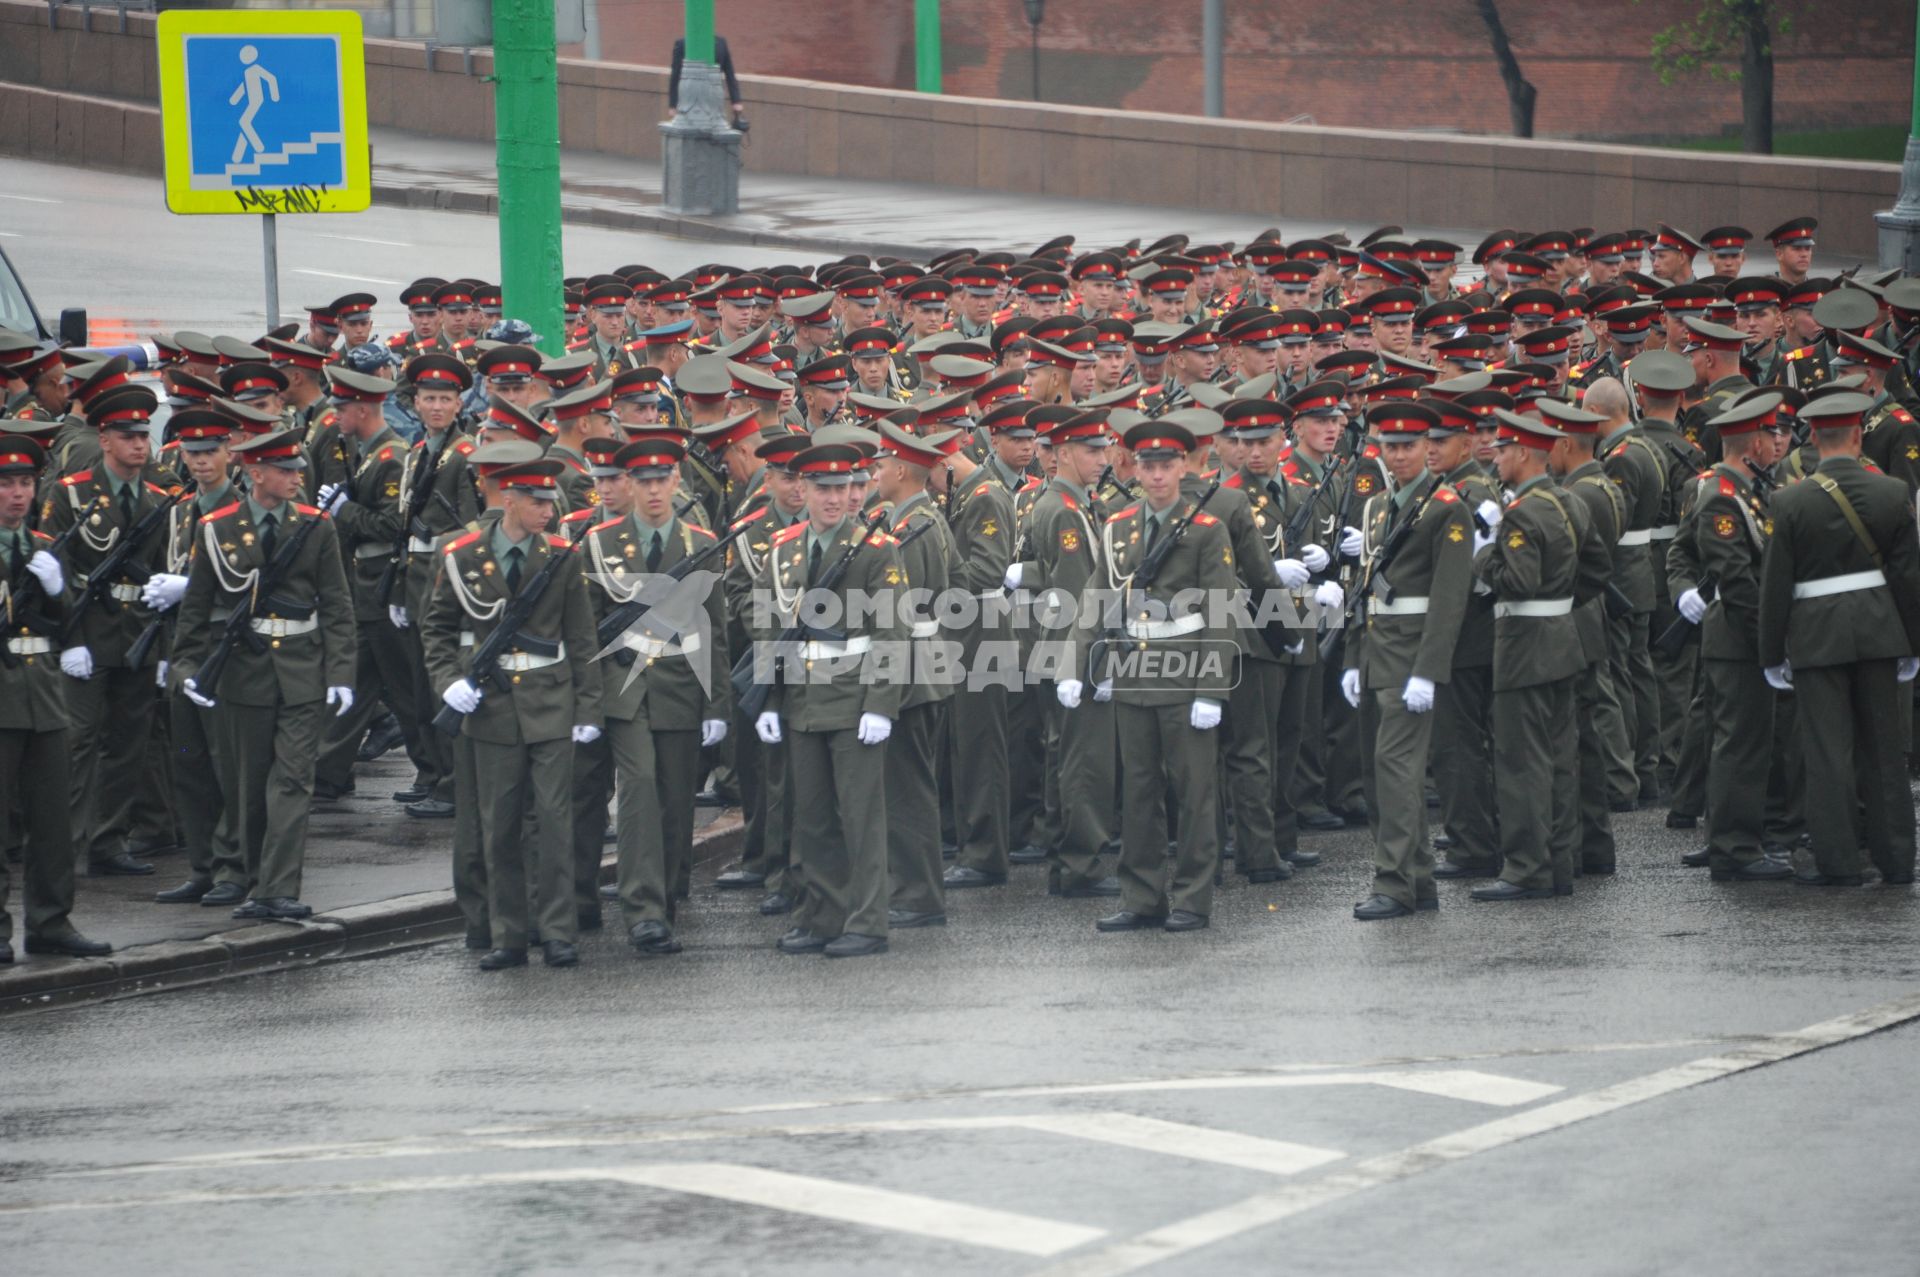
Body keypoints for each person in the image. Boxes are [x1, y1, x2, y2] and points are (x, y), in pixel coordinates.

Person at [423, 457, 604, 970]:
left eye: (551, 502)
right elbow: (434, 630)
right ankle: (508, 933)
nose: (548, 511)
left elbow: (581, 636)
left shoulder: (562, 556)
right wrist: (447, 683)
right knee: (498, 825)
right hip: (490, 707)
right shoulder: (460, 556)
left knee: (553, 822)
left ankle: (558, 930)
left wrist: (588, 707)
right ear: (508, 499)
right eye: (537, 501)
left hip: (550, 701)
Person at [170, 431, 358, 922]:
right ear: (256, 474)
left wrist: (341, 671)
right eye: (285, 470)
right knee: (247, 784)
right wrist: (187, 667)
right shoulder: (216, 527)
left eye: (297, 468)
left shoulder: (316, 526)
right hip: (242, 672)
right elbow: (196, 609)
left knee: (292, 781)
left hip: (302, 668)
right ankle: (243, 874)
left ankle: (276, 887)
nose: (297, 477)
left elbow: (337, 605)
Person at [748, 441, 906, 958]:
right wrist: (768, 699)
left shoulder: (877, 549)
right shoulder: (783, 548)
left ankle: (867, 921)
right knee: (810, 817)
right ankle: (819, 915)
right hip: (802, 698)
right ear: (803, 490)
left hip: (854, 695)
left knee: (860, 818)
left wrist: (881, 704)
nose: (834, 499)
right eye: (822, 488)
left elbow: (892, 631)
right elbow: (770, 628)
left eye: (842, 488)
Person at [1758, 392, 1920, 887]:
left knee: (1827, 751)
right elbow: (1909, 579)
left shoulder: (1789, 500)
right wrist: (1912, 644)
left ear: (1812, 438)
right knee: (1884, 751)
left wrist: (1771, 652)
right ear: (1857, 436)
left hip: (1816, 635)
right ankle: (1897, 860)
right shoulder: (1893, 493)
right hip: (1877, 631)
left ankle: (1839, 861)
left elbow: (1775, 586)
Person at [1084, 419, 1236, 933]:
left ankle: (1193, 897)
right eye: (1147, 466)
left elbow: (1220, 610)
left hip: (1187, 670)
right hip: (1133, 671)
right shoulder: (1119, 526)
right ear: (1135, 469)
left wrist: (1212, 688)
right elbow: (1099, 597)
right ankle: (1142, 896)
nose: (1156, 476)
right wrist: (1081, 663)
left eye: (1166, 465)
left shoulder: (1206, 530)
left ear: (1184, 466)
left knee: (1192, 792)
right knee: (1139, 792)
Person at [585, 436, 730, 957]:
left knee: (674, 798)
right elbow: (584, 630)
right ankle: (642, 910)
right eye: (641, 481)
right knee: (640, 787)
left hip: (680, 683)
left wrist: (718, 705)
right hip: (622, 687)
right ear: (628, 484)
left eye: (660, 480)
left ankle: (665, 901)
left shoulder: (699, 543)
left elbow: (715, 627)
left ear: (675, 482)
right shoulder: (599, 542)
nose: (651, 491)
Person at [1342, 401, 1473, 920]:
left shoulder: (1446, 506)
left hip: (1412, 657)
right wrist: (1353, 657)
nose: (1397, 456)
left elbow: (1449, 598)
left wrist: (1428, 670)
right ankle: (1417, 880)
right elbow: (1365, 588)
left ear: (1427, 449)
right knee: (1380, 777)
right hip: (1377, 653)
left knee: (1396, 771)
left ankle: (1393, 882)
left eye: (1409, 447)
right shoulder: (1378, 508)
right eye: (1390, 447)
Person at [48, 383, 172, 879]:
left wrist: (162, 647)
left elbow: (166, 574)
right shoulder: (71, 493)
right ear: (105, 440)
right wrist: (70, 639)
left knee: (128, 743)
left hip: (137, 636)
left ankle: (109, 840)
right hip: (87, 631)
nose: (140, 445)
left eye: (143, 435)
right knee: (77, 742)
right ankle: (66, 840)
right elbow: (53, 570)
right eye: (128, 436)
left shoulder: (159, 499)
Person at [1669, 394, 1795, 882]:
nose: (1775, 445)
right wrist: (1770, 643)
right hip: (1740, 636)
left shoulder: (1748, 489)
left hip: (1733, 634)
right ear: (1755, 442)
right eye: (1770, 437)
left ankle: (1727, 833)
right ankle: (1734, 846)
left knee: (1734, 741)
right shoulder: (1723, 493)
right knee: (1741, 744)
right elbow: (1738, 583)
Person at [1470, 410, 1590, 902]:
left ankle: (1526, 867)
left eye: (1501, 451)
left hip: (1524, 645)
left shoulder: (1520, 512)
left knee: (1521, 761)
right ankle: (1559, 862)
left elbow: (1517, 580)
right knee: (1560, 759)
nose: (1495, 458)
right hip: (1562, 637)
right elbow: (1597, 566)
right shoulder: (1568, 502)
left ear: (1523, 454)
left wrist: (1483, 551)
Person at [0, 433, 112, 960]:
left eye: (24, 483)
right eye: (6, 485)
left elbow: (70, 619)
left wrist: (57, 590)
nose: (17, 495)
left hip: (43, 695)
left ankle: (50, 921)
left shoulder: (44, 548)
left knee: (52, 822)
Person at [667, 34, 745, 127]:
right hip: (690, 99)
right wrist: (673, 104)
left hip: (714, 98)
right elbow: (675, 75)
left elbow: (730, 73)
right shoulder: (682, 44)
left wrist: (736, 101)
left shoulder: (721, 43)